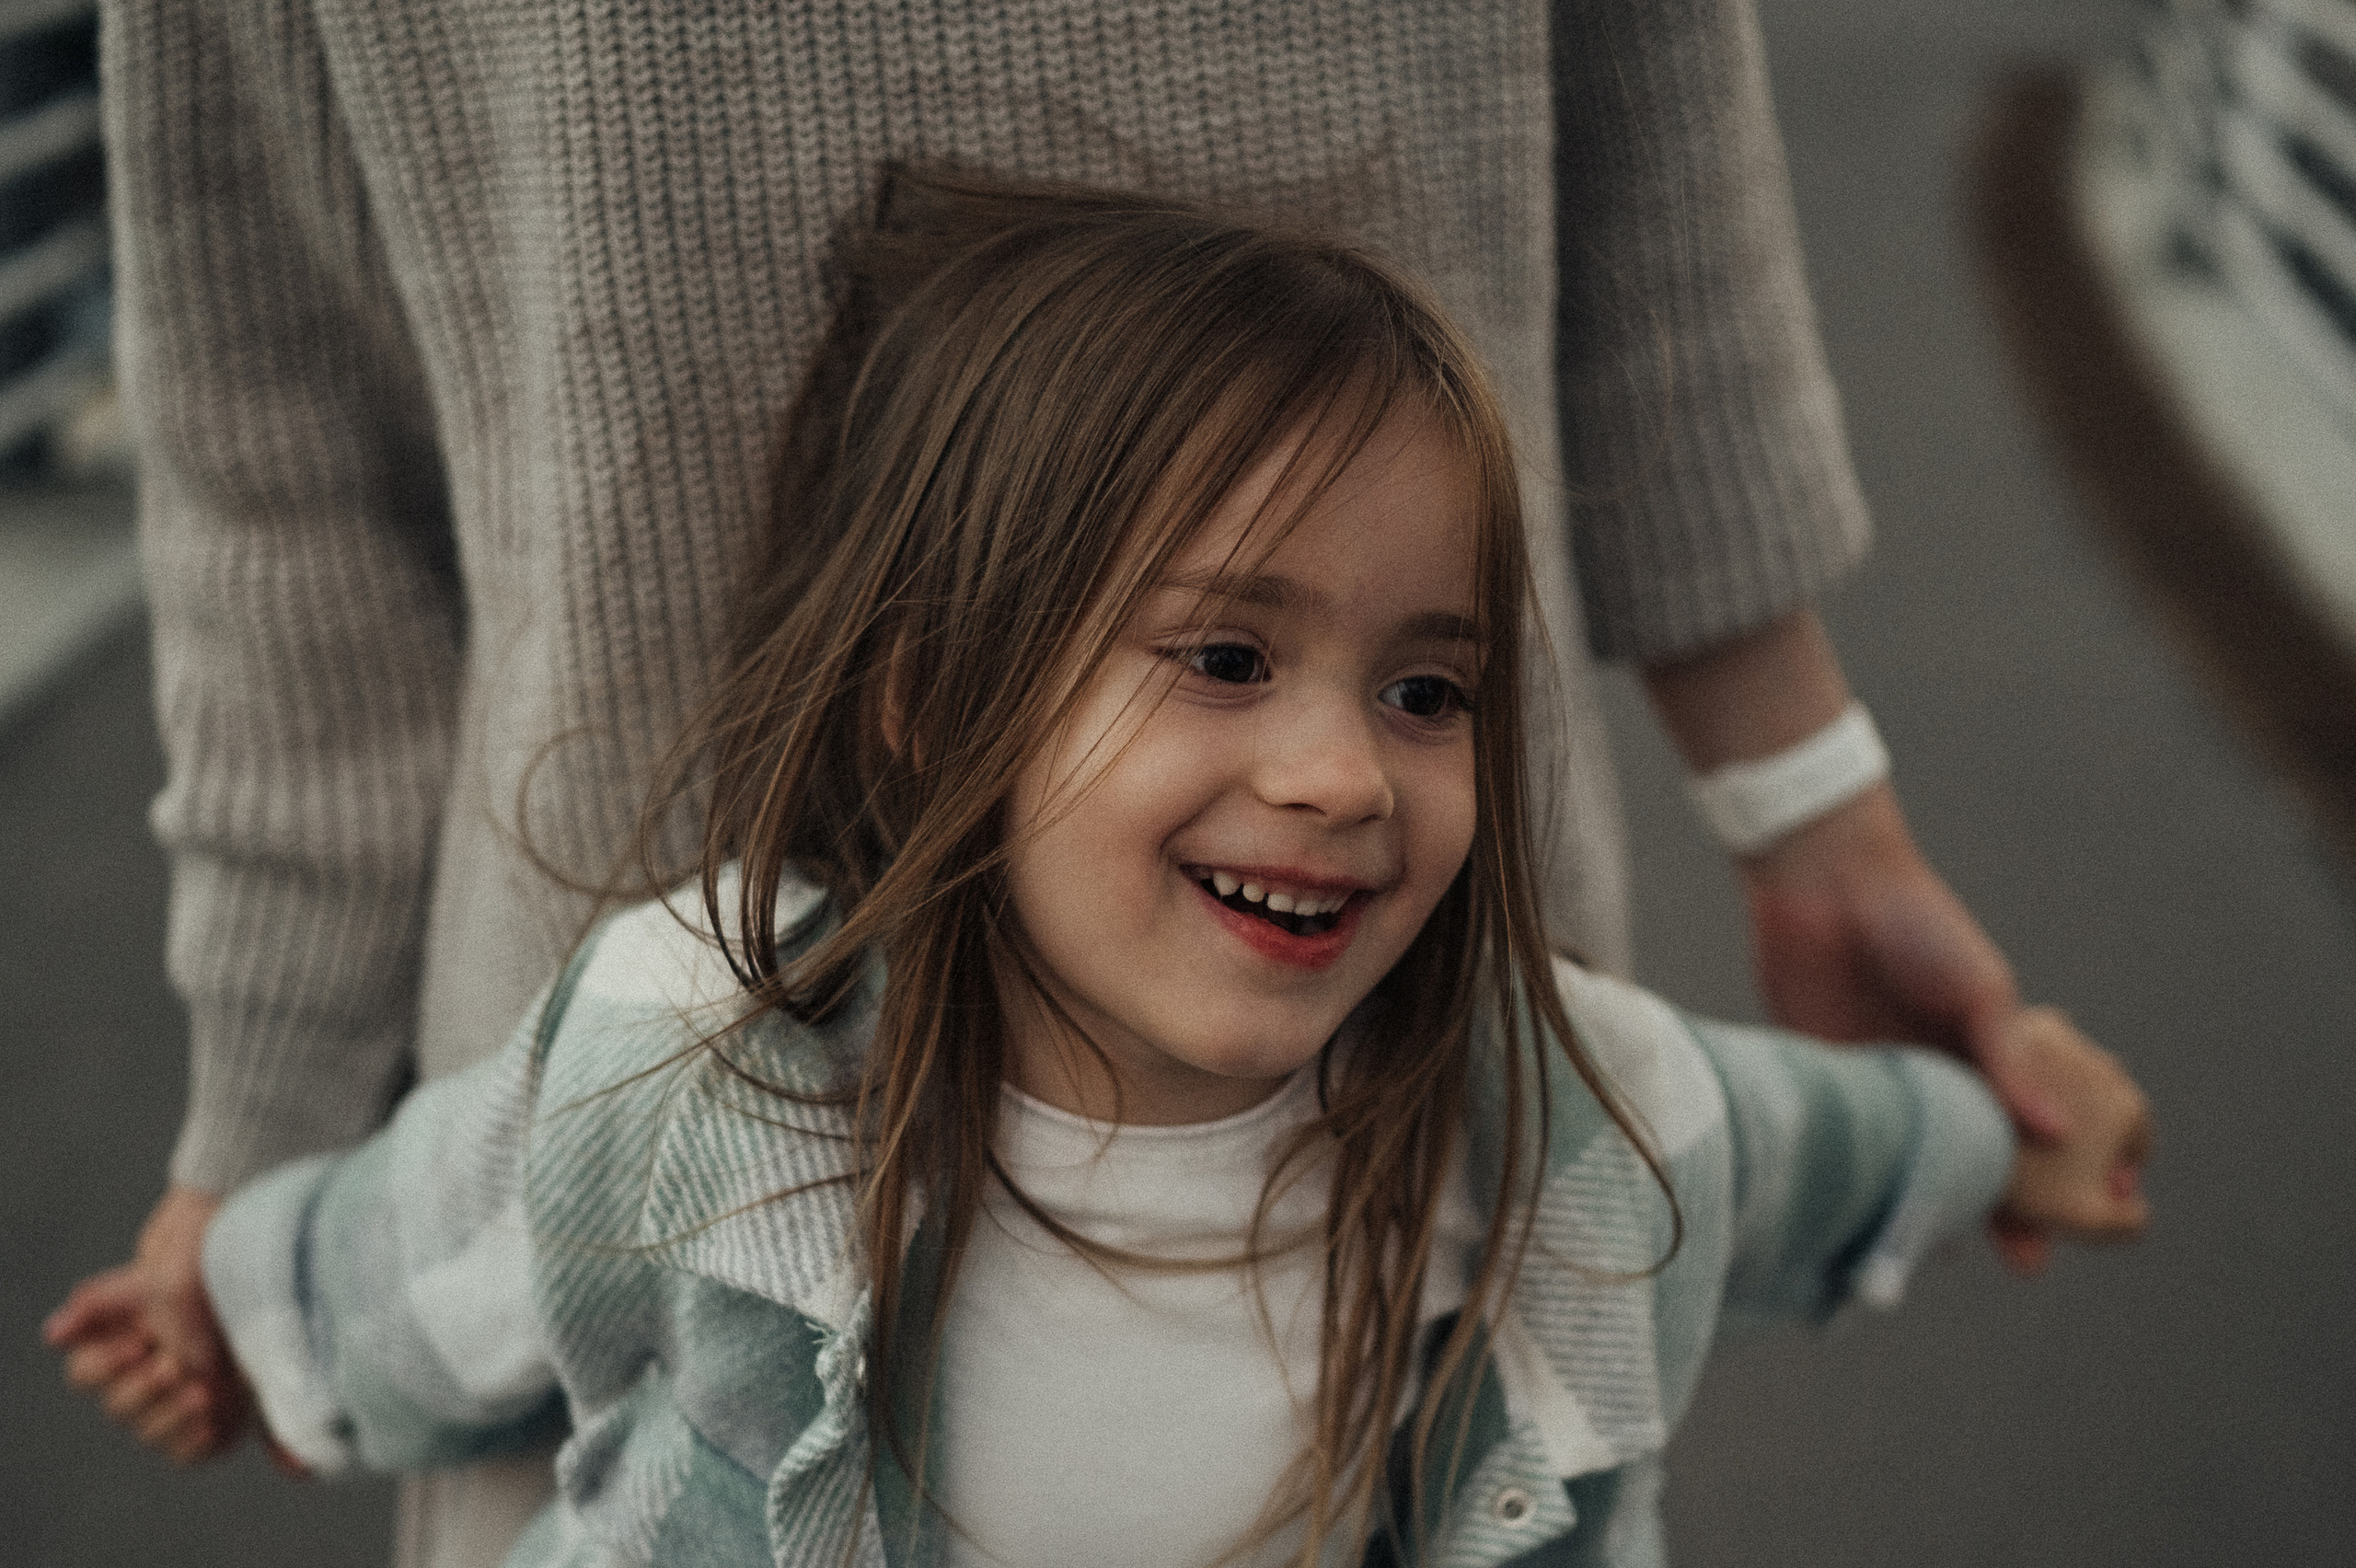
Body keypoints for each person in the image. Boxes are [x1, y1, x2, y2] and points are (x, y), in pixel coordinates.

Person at [51, 2, 2067, 1562]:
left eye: (1432, 691)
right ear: (930, 698)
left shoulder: (1546, 1115)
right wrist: (245, 1275)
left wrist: (1990, 1119)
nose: (1336, 773)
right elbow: (436, 1242)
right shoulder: (695, 1063)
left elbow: (1816, 1154)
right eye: (1222, 658)